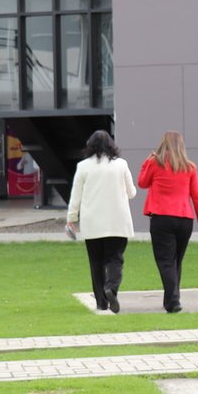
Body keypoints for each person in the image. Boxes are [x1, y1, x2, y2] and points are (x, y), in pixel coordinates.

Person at [138, 131, 198, 313]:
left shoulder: (155, 163)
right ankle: (169, 300)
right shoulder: (190, 167)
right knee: (176, 261)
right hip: (185, 219)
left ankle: (174, 301)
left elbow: (142, 182)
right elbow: (197, 196)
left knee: (165, 261)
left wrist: (147, 161)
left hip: (162, 217)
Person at [67, 130, 137, 313]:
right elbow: (132, 193)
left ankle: (101, 302)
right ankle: (111, 288)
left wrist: (71, 219)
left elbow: (76, 196)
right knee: (115, 258)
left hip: (93, 223)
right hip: (117, 221)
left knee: (96, 263)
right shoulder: (121, 165)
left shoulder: (83, 167)